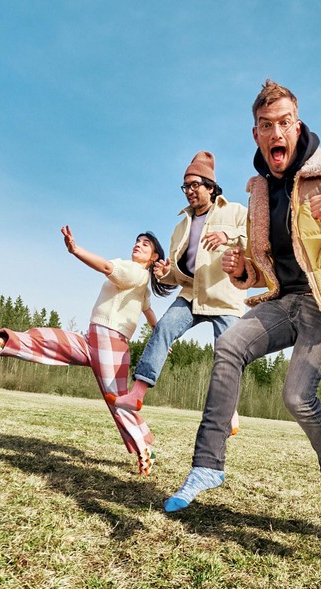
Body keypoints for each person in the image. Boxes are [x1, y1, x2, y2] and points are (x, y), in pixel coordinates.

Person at [163, 79, 321, 513]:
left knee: (297, 396)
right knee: (229, 345)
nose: (276, 133)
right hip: (285, 301)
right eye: (267, 125)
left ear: (297, 127)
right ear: (257, 134)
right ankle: (208, 464)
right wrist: (243, 268)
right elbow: (263, 261)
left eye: (285, 122)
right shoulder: (261, 191)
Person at [0, 227, 175, 476]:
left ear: (153, 258)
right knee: (48, 339)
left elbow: (107, 268)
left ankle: (144, 450)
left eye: (145, 244)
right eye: (137, 241)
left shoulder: (133, 271)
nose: (138, 245)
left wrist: (75, 250)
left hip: (112, 345)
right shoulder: (141, 283)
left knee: (118, 402)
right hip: (92, 337)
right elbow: (148, 311)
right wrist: (160, 334)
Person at [109, 151, 248, 435]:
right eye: (185, 186)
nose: (189, 191)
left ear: (210, 186)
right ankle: (137, 393)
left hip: (226, 297)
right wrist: (165, 274)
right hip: (191, 293)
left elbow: (257, 240)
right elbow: (179, 270)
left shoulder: (234, 212)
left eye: (195, 184)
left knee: (228, 355)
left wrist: (228, 236)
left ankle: (230, 412)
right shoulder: (180, 226)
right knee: (163, 330)